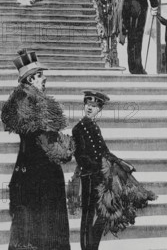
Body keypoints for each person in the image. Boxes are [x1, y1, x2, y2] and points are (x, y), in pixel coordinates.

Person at [1, 50, 74, 250]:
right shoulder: (31, 104)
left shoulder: (29, 102)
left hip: (32, 175)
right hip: (39, 178)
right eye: (40, 75)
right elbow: (46, 142)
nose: (44, 78)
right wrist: (65, 150)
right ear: (31, 79)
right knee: (41, 231)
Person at [71, 90, 156, 249]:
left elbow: (104, 151)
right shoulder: (78, 129)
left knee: (104, 214)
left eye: (94, 106)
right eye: (88, 104)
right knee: (88, 215)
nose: (90, 108)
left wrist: (120, 162)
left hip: (99, 177)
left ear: (99, 110)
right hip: (88, 176)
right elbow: (81, 157)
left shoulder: (95, 127)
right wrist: (100, 167)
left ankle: (92, 246)